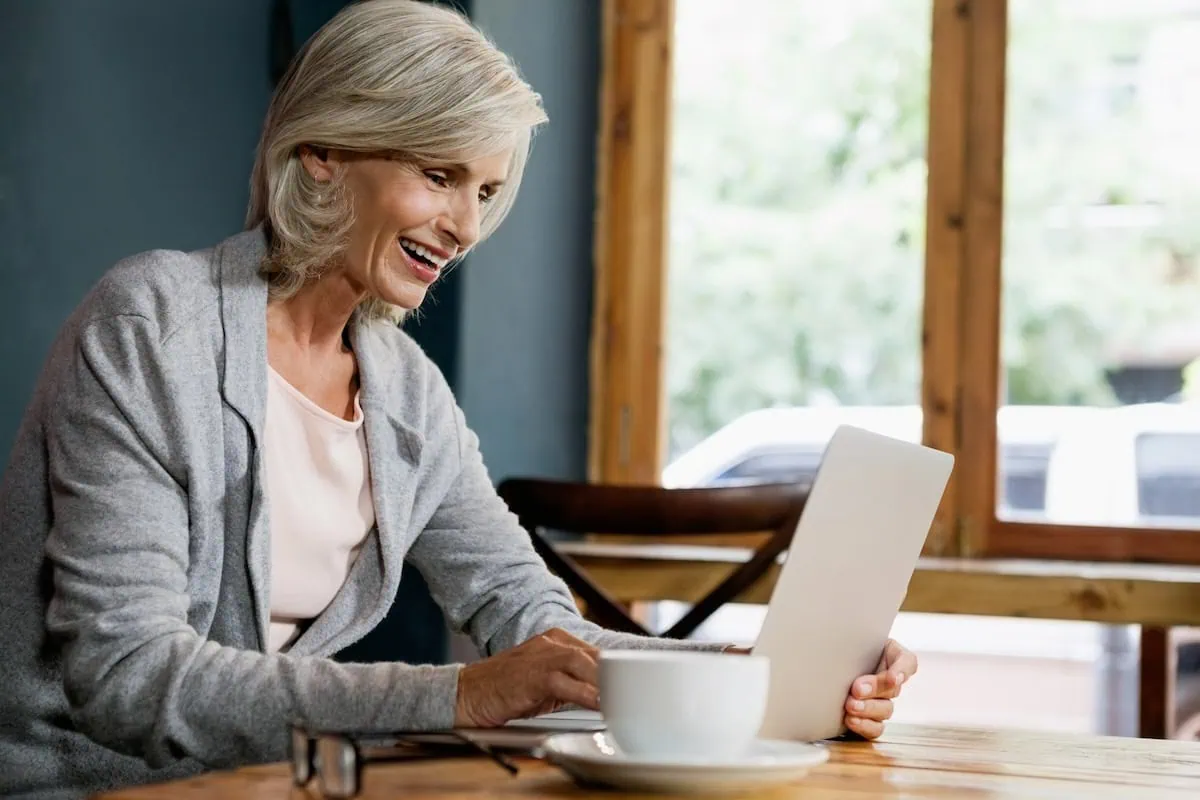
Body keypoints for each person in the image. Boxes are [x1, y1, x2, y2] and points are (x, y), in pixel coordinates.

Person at [0, 1, 916, 797]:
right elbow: (124, 674)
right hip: (89, 787)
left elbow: (534, 620)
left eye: (484, 189)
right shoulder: (154, 325)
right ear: (320, 154)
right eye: (438, 176)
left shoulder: (404, 394)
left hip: (264, 788)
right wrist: (461, 693)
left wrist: (765, 676)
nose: (468, 226)